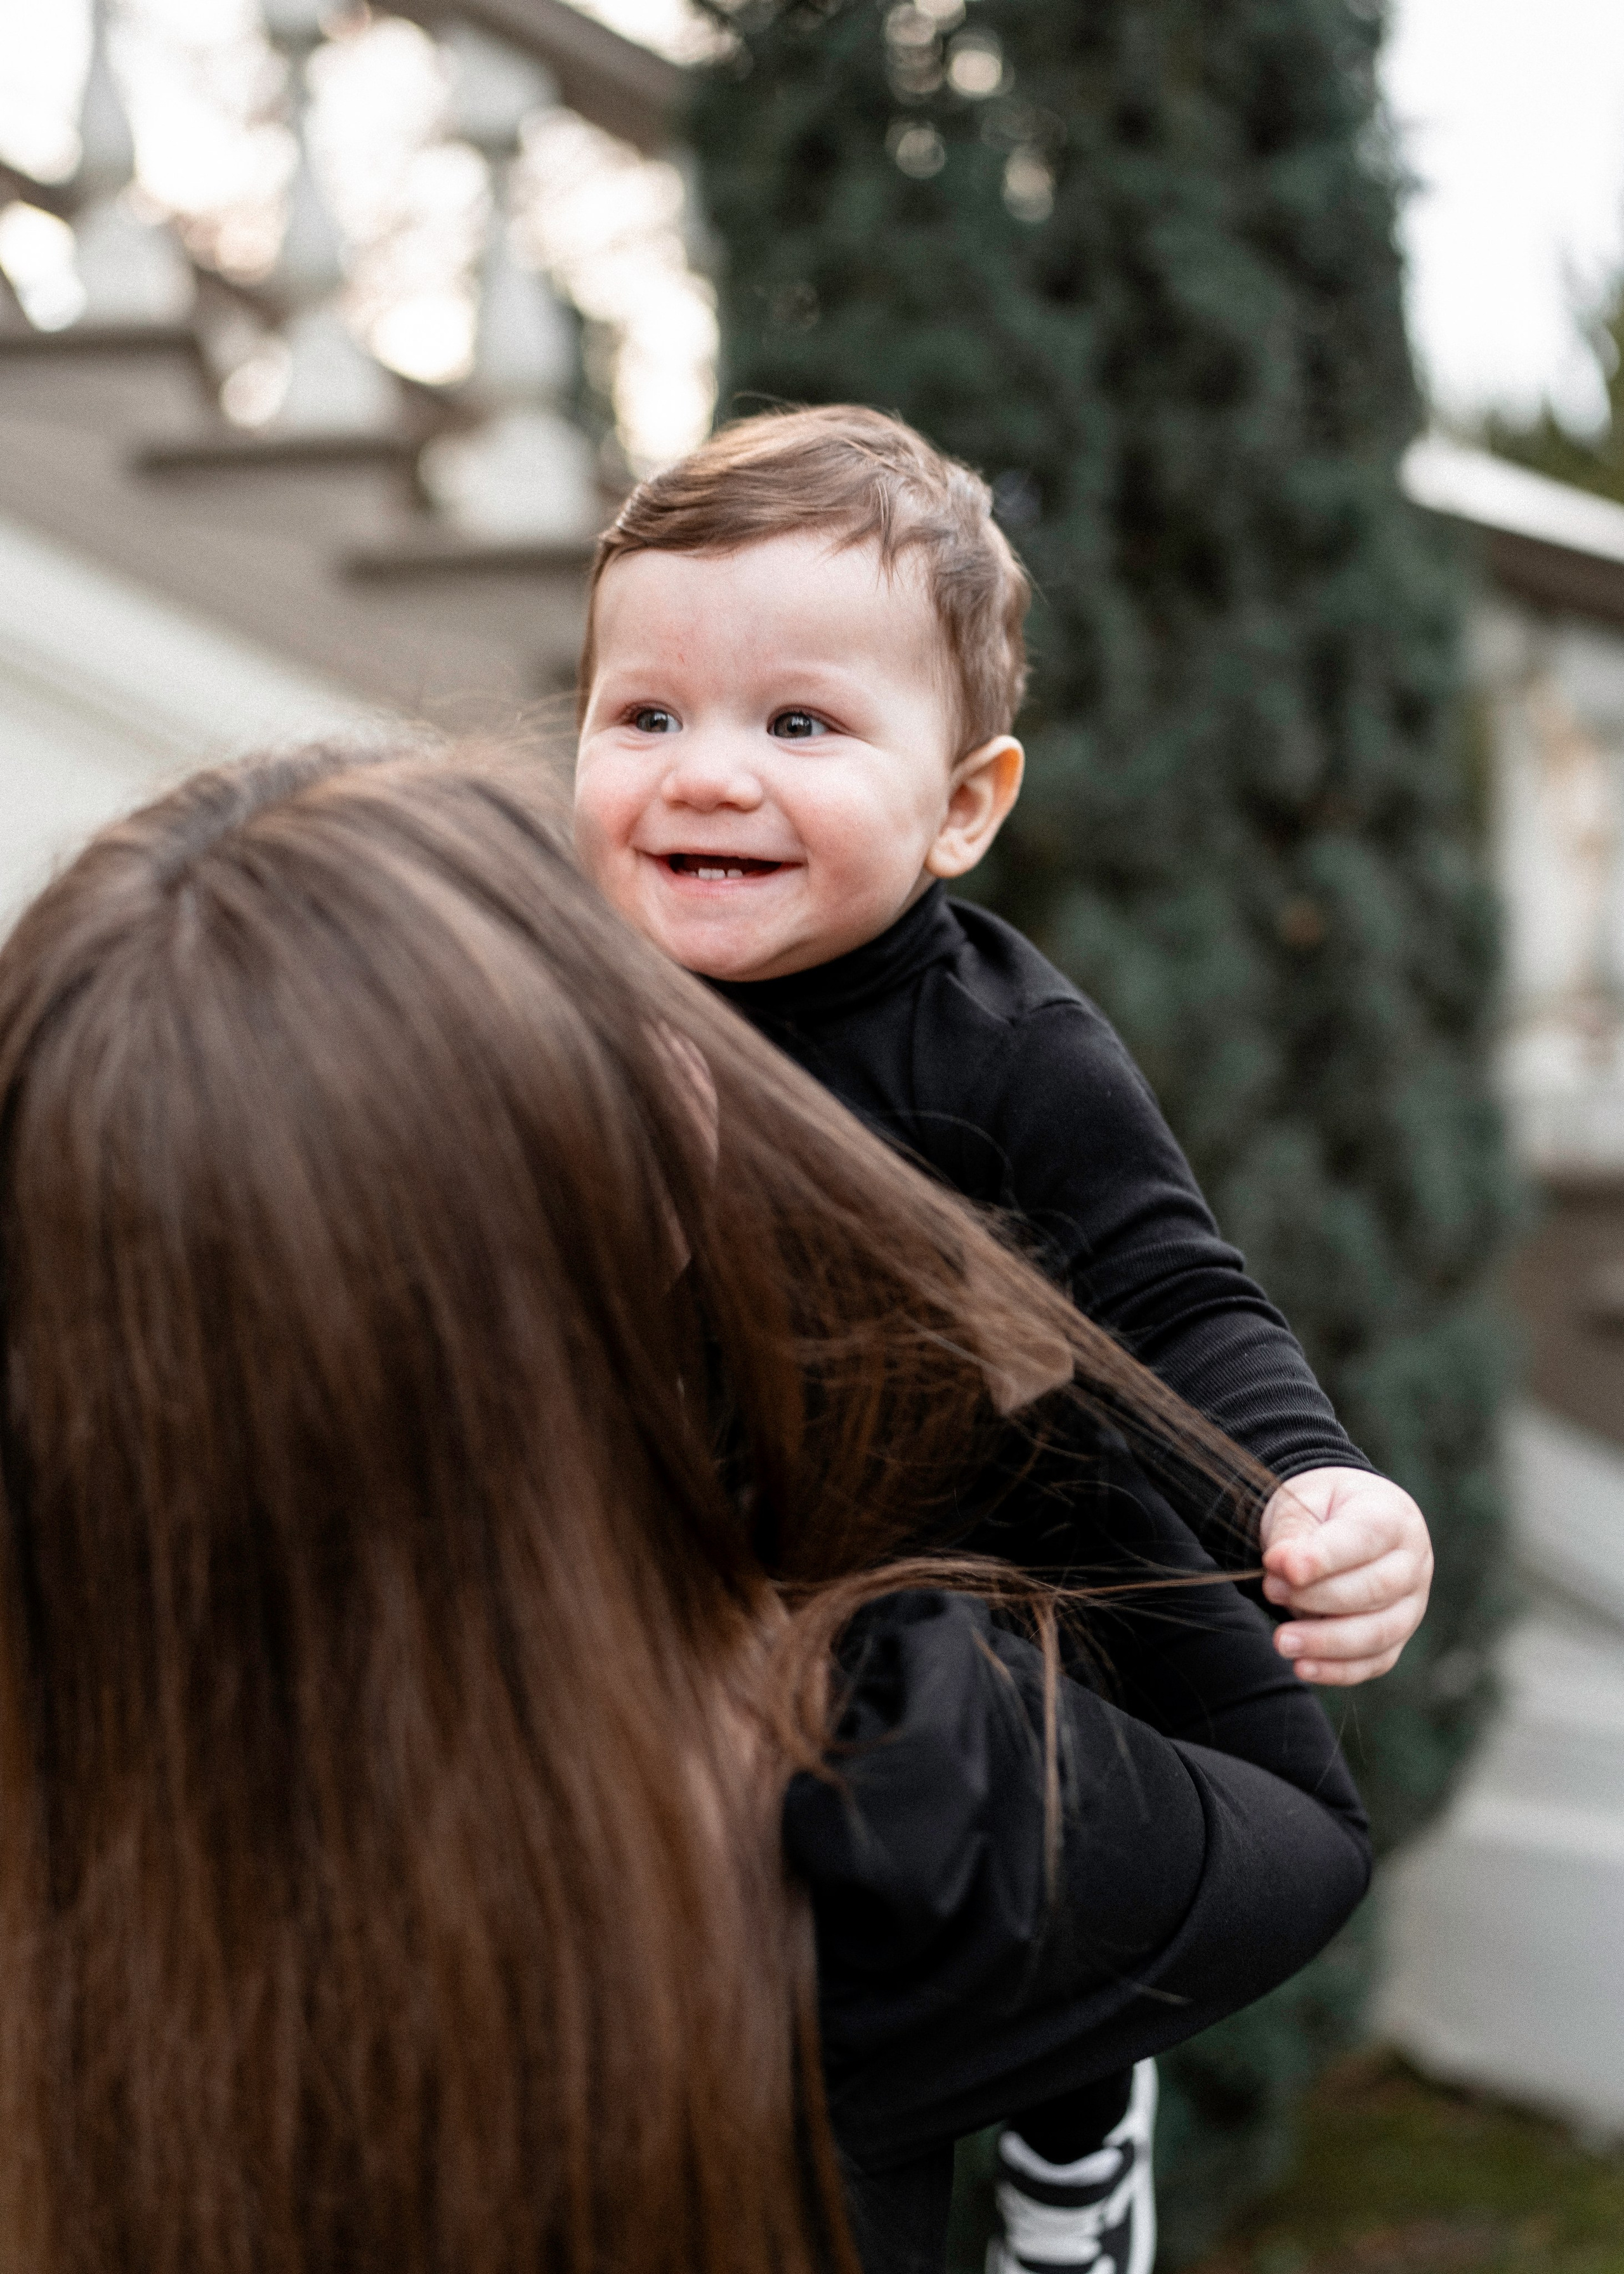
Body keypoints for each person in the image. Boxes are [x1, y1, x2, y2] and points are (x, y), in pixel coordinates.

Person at [0, 744, 1369, 2274]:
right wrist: (1019, 1351)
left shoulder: (78, 1813)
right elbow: (1292, 1829)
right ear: (611, 1183)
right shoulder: (880, 1784)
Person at [570, 404, 1433, 2273]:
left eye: (798, 724)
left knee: (1270, 1832)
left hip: (1017, 1552)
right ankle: (1000, 2091)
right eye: (645, 715)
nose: (704, 774)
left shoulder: (1002, 1045)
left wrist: (1314, 1483)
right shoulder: (545, 1011)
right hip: (707, 1620)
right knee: (801, 2096)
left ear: (966, 803)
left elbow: (1172, 1283)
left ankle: (1074, 2102)